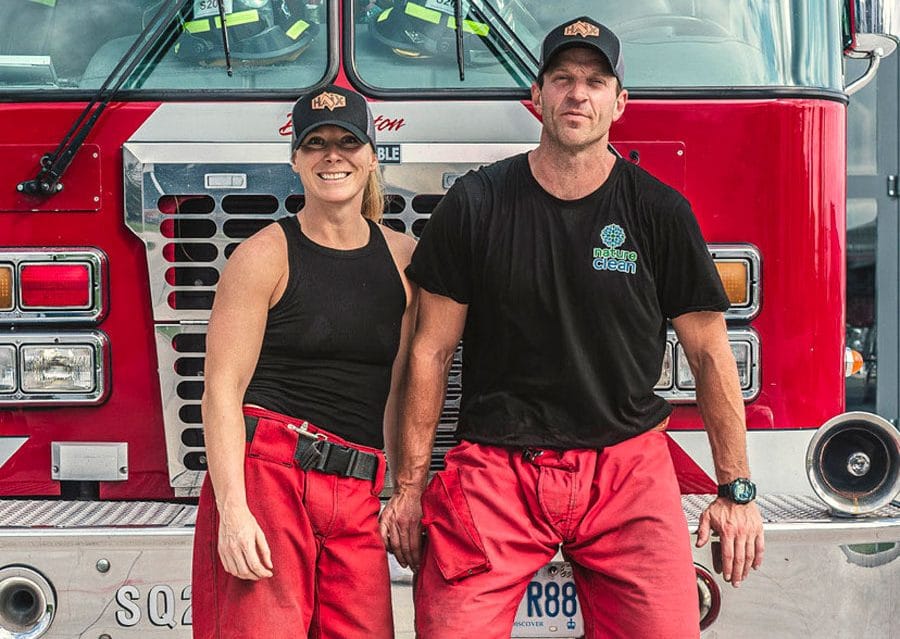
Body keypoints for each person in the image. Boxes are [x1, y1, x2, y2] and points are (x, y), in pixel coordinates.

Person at [379, 16, 765, 639]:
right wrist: (408, 488)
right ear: (536, 98)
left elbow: (711, 355)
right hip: (496, 470)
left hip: (627, 471)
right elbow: (430, 351)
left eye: (593, 81)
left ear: (620, 101)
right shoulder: (476, 204)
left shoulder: (659, 212)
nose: (577, 94)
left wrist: (737, 491)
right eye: (561, 79)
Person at [192, 84, 417, 639]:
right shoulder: (262, 255)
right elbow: (221, 391)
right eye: (315, 144)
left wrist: (403, 489)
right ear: (295, 160)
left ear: (371, 155)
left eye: (347, 141)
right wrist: (233, 513)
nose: (332, 155)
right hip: (269, 479)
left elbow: (403, 389)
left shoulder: (407, 259)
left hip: (359, 491)